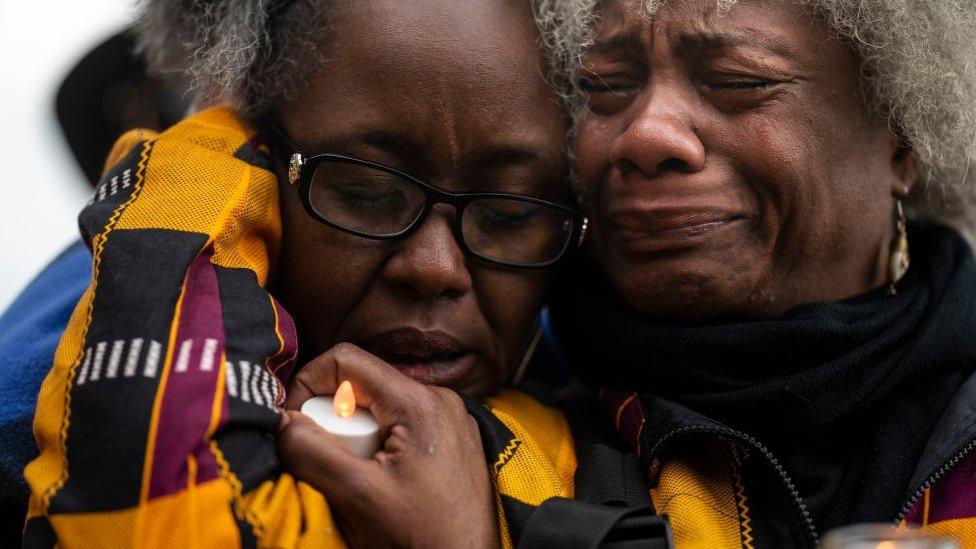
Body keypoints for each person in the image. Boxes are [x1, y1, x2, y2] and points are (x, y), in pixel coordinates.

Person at [23, 1, 667, 547]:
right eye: (363, 191)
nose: (434, 269)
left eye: (508, 213)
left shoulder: (655, 451)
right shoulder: (51, 370)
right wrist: (187, 175)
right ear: (253, 161)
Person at [546, 0, 976, 547]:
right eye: (604, 85)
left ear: (901, 138)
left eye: (736, 80)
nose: (647, 136)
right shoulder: (487, 443)